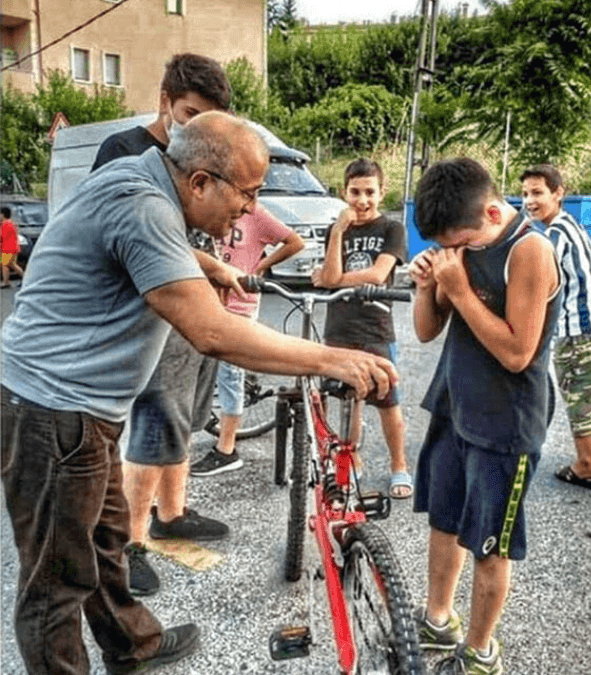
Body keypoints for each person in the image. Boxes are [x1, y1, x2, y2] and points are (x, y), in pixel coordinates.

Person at [0, 111, 397, 675]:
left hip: (82, 414)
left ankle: (132, 646)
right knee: (55, 583)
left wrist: (207, 264)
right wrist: (333, 357)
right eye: (249, 193)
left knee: (106, 541)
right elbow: (212, 333)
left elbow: (153, 243)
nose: (251, 210)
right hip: (54, 413)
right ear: (200, 182)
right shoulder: (144, 204)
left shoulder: (144, 174)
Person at [91, 52, 235, 598]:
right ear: (164, 101)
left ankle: (172, 514)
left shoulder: (200, 156)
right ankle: (129, 542)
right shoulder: (125, 152)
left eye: (206, 120)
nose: (193, 128)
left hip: (196, 308)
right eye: (188, 113)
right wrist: (216, 266)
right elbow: (137, 239)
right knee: (155, 422)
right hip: (155, 311)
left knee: (186, 416)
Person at [409, 158, 561, 675]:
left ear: (493, 211)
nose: (456, 251)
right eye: (447, 244)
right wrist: (427, 287)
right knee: (444, 521)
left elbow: (519, 352)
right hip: (454, 405)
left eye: (462, 240)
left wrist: (458, 289)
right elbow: (427, 332)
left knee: (488, 547)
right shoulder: (458, 249)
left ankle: (480, 653)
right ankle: (437, 618)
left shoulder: (531, 251)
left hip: (505, 424)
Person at [310, 158, 411, 499]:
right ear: (344, 192)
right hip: (339, 326)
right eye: (355, 192)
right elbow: (329, 274)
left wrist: (331, 278)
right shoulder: (336, 230)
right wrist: (338, 231)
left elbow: (376, 274)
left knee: (386, 401)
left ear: (382, 193)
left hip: (375, 328)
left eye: (370, 192)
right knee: (348, 398)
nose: (362, 200)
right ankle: (351, 462)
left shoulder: (391, 229)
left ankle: (399, 466)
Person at [190, 203, 304, 476]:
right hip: (207, 302)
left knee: (230, 376)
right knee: (203, 371)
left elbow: (294, 242)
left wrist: (262, 265)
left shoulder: (256, 214)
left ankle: (226, 450)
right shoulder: (213, 210)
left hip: (239, 304)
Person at [520, 164, 591, 489]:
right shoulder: (570, 224)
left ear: (558, 193)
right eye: (526, 194)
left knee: (578, 396)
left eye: (537, 193)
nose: (529, 200)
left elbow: (540, 287)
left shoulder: (552, 237)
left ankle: (587, 464)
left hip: (576, 329)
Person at [0, 205, 23, 287]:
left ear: (3, 214)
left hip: (8, 249)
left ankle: (6, 282)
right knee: (11, 265)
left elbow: (1, 237)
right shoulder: (11, 223)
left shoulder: (5, 224)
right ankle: (24, 280)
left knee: (7, 265)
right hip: (12, 248)